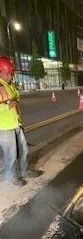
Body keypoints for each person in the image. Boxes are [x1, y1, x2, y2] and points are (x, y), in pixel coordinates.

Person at [0, 56, 42, 187]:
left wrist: (14, 100)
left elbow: (16, 97)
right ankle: (10, 176)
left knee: (23, 150)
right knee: (11, 154)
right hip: (5, 126)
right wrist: (7, 105)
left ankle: (24, 170)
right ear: (1, 71)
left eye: (11, 73)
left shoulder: (9, 84)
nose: (10, 76)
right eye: (8, 73)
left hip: (16, 123)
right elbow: (7, 103)